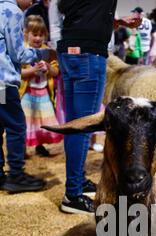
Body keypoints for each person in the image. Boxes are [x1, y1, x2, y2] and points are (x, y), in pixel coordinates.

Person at [56, 0, 141, 214]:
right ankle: (73, 195)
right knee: (82, 127)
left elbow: (76, 8)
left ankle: (77, 180)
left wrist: (115, 20)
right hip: (88, 54)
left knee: (75, 124)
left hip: (70, 49)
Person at [0, 0, 56, 194]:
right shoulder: (12, 11)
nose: (33, 1)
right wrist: (45, 53)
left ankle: (0, 173)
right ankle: (16, 175)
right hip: (3, 82)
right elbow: (19, 54)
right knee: (16, 126)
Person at [20, 15, 63, 157]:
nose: (38, 38)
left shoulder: (49, 52)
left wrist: (48, 68)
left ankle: (40, 145)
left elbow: (56, 71)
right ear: (26, 34)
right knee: (26, 122)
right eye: (34, 34)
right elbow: (18, 72)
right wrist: (32, 71)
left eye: (41, 35)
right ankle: (22, 149)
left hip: (44, 93)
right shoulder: (22, 51)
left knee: (42, 121)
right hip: (27, 93)